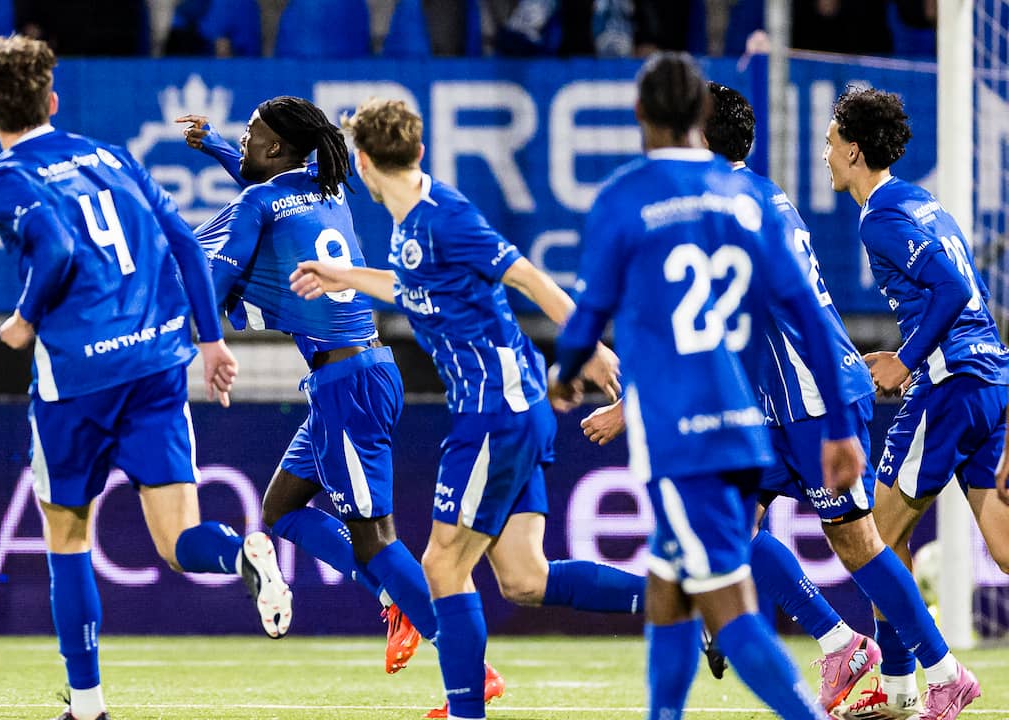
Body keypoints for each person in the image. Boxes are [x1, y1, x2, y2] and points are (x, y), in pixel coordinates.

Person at [290, 98, 644, 720]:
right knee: (524, 578)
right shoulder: (412, 229)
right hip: (515, 407)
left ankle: (465, 710)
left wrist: (589, 348)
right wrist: (343, 274)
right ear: (419, 152)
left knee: (441, 565)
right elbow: (410, 287)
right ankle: (684, 605)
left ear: (362, 164)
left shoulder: (446, 217)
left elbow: (529, 278)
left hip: (494, 413)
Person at [0, 35, 290, 720]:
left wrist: (25, 317)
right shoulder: (111, 156)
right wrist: (210, 340)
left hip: (79, 377)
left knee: (68, 536)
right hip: (158, 362)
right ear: (52, 100)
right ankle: (241, 552)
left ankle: (87, 706)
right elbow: (183, 242)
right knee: (180, 543)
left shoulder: (2, 178)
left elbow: (53, 248)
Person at [549, 51, 868, 720]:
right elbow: (810, 317)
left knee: (727, 607)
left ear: (639, 115)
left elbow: (588, 317)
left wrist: (567, 368)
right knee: (669, 588)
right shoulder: (751, 199)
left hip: (682, 438)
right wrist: (839, 424)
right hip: (746, 425)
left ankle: (815, 692)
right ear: (701, 114)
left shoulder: (626, 197)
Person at [176, 97, 437, 677]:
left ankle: (464, 661)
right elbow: (270, 183)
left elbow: (215, 280)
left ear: (274, 148)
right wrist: (217, 143)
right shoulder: (328, 183)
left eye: (249, 135)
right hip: (362, 372)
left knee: (375, 538)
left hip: (348, 384)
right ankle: (395, 601)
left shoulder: (256, 202)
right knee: (282, 510)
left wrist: (196, 318)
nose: (242, 142)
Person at [824, 85, 1000, 720]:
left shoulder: (881, 217)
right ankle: (900, 691)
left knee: (868, 536)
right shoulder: (923, 203)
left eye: (832, 140)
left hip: (950, 383)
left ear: (856, 151)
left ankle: (921, 680)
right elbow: (961, 288)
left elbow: (951, 288)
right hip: (989, 379)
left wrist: (905, 359)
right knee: (1001, 547)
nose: (826, 152)